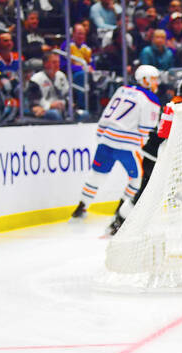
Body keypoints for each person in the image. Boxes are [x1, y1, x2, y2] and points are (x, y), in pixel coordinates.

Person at [70, 65, 161, 236]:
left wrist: (101, 135)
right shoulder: (151, 99)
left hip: (106, 139)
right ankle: (121, 212)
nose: (157, 83)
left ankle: (80, 209)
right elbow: (146, 129)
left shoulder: (122, 90)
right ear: (145, 80)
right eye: (154, 79)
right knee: (137, 179)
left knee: (96, 175)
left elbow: (105, 115)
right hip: (128, 144)